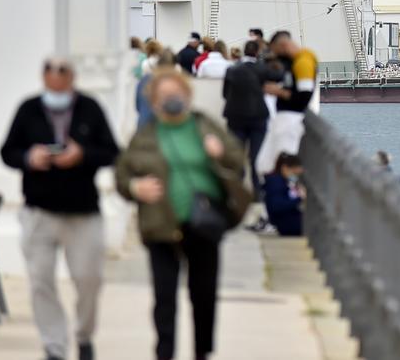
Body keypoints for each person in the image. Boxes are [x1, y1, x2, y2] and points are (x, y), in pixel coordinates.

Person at [116, 69, 250, 360]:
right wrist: (135, 187)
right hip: (160, 224)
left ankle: (202, 352)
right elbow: (122, 175)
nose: (171, 100)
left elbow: (238, 159)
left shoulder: (205, 126)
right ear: (153, 102)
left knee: (203, 295)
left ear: (187, 96)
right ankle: (165, 353)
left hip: (203, 223)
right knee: (164, 298)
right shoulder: (145, 137)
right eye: (163, 96)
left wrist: (219, 154)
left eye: (175, 94)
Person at [0, 57, 120, 360]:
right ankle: (54, 345)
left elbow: (111, 152)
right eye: (50, 75)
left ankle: (84, 334)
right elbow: (8, 151)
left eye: (62, 74)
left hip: (83, 212)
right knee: (41, 280)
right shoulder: (29, 109)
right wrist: (30, 157)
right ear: (43, 77)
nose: (56, 81)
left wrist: (82, 155)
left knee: (88, 278)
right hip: (39, 211)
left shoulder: (89, 109)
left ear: (72, 78)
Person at [255, 31, 319, 174]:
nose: (276, 56)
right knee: (266, 163)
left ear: (283, 46)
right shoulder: (296, 62)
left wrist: (278, 91)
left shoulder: (303, 63)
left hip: (291, 120)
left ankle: (286, 193)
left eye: (275, 51)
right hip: (284, 119)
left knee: (282, 162)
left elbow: (304, 97)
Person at [222, 40, 269, 196]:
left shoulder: (231, 69)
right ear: (256, 52)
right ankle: (257, 192)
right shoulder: (262, 69)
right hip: (258, 117)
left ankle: (237, 192)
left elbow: (225, 94)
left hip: (236, 117)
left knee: (236, 155)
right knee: (256, 157)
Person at [263, 153, 304, 236]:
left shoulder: (283, 182)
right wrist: (299, 198)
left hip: (287, 221)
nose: (295, 177)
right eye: (294, 173)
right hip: (286, 223)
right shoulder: (276, 183)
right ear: (285, 168)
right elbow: (276, 206)